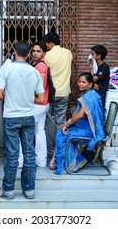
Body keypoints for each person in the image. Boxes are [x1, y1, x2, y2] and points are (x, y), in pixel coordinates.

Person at [0, 40, 44, 200]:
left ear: (14, 52)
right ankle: (29, 190)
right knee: (29, 154)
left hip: (11, 117)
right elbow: (41, 98)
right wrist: (27, 99)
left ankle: (7, 190)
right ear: (29, 54)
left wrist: (10, 97)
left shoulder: (6, 69)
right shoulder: (34, 71)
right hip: (28, 116)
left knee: (13, 154)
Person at [53, 72, 105, 175]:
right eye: (79, 81)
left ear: (90, 84)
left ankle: (72, 163)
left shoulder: (90, 96)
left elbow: (80, 115)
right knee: (61, 133)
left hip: (90, 130)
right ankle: (75, 159)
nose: (80, 84)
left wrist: (67, 124)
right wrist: (67, 124)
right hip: (84, 127)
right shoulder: (89, 94)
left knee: (61, 136)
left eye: (83, 82)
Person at [18, 41, 50, 168]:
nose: (35, 53)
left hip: (38, 103)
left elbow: (40, 86)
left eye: (38, 51)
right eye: (33, 51)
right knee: (39, 132)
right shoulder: (38, 64)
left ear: (44, 53)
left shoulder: (40, 66)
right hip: (43, 103)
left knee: (22, 130)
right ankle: (41, 161)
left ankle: (20, 161)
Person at [43, 32, 73, 164]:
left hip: (52, 94)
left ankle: (50, 152)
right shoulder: (68, 53)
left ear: (50, 43)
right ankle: (58, 151)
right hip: (65, 92)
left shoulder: (47, 55)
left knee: (49, 122)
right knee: (61, 121)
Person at [90, 44, 110, 111]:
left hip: (100, 93)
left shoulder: (104, 66)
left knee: (99, 111)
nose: (91, 56)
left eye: (93, 54)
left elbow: (92, 79)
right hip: (94, 91)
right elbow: (91, 80)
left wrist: (92, 64)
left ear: (99, 56)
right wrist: (93, 84)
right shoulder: (96, 66)